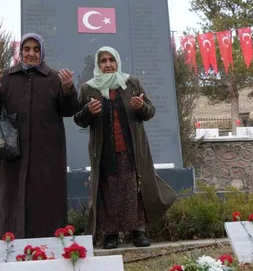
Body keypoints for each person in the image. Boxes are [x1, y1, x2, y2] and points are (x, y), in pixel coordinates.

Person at [74, 46, 176, 249]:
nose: (108, 64)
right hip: (103, 151)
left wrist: (141, 107)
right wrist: (87, 111)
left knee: (134, 190)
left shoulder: (132, 83)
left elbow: (150, 111)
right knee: (108, 191)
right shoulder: (88, 88)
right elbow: (79, 120)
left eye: (112, 59)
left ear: (118, 62)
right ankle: (111, 234)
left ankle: (138, 232)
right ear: (98, 64)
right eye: (103, 61)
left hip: (132, 149)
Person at [0, 33, 78, 238]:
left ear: (42, 52)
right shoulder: (8, 77)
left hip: (47, 152)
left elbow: (69, 110)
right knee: (14, 197)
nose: (31, 53)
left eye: (36, 49)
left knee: (47, 198)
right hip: (14, 152)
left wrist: (67, 89)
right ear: (20, 52)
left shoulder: (54, 78)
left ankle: (51, 242)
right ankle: (14, 242)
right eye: (26, 49)